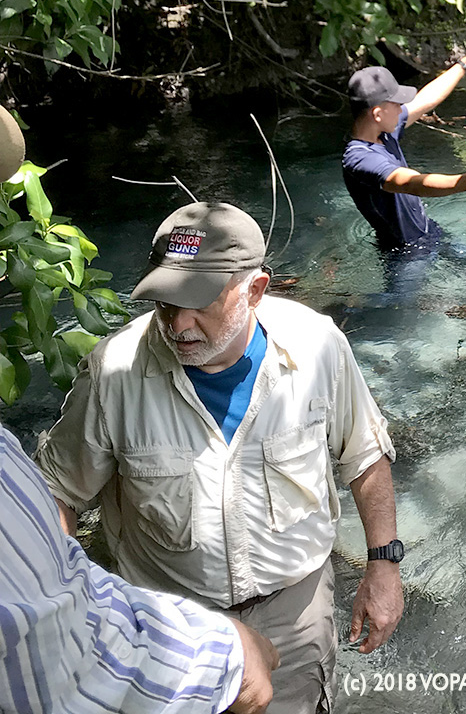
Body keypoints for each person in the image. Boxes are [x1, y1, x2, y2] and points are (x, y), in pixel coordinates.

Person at [35, 201, 405, 713]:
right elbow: (58, 493)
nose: (178, 323)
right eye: (165, 303)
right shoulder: (114, 372)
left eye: (199, 302)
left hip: (293, 615)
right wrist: (63, 609)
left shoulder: (318, 347)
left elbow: (364, 457)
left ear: (255, 290)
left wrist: (383, 567)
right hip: (170, 623)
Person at [1, 423, 280, 713]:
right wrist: (227, 659)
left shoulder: (318, 377)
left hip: (290, 617)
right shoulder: (111, 385)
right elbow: (58, 489)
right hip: (160, 621)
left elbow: (49, 569)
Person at [342, 37, 466, 251]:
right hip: (405, 252)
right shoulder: (359, 158)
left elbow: (426, 99)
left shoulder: (382, 131)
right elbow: (411, 183)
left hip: (428, 231)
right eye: (396, 103)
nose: (402, 107)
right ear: (378, 113)